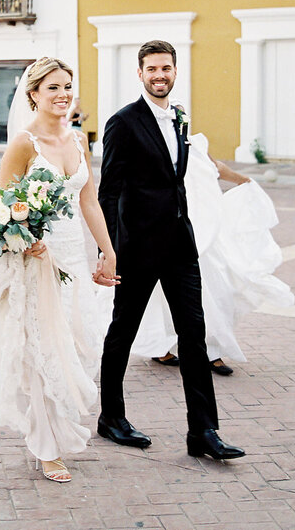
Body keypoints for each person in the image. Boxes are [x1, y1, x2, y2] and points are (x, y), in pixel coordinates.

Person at [96, 40, 244, 462]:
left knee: (193, 337)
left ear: (175, 71)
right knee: (121, 333)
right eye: (152, 69)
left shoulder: (179, 118)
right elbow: (109, 191)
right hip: (136, 248)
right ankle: (111, 418)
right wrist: (108, 250)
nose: (160, 76)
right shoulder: (123, 123)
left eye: (166, 68)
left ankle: (203, 431)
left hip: (180, 245)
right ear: (140, 74)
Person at [0, 57, 119, 483]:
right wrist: (26, 240)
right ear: (33, 93)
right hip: (36, 261)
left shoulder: (78, 141)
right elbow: (0, 209)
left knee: (76, 344)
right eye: (53, 87)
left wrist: (107, 251)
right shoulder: (23, 143)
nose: (63, 94)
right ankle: (46, 446)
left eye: (68, 86)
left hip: (73, 255)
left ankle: (57, 430)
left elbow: (88, 201)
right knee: (42, 351)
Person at [136, 151, 294, 375]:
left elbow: (217, 168)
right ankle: (161, 346)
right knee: (164, 296)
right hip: (170, 229)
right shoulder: (149, 144)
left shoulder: (194, 143)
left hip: (207, 233)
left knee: (218, 292)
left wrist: (244, 181)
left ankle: (213, 350)